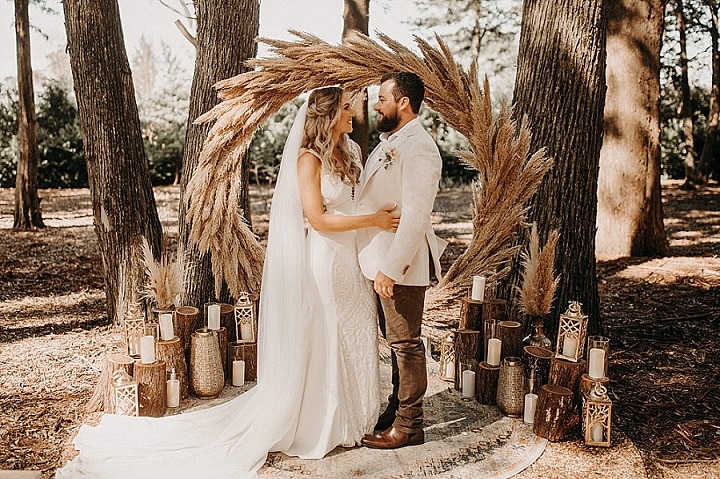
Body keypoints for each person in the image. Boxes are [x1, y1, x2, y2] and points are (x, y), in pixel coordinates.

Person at [55, 86, 399, 479]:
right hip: (327, 260)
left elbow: (361, 197)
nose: (354, 111)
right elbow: (318, 220)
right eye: (346, 107)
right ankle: (328, 420)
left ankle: (358, 413)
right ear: (327, 115)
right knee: (329, 334)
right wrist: (371, 222)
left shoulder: (351, 151)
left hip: (353, 262)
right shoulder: (308, 160)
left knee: (355, 331)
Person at [356, 72, 446, 450]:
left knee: (406, 344)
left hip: (401, 264)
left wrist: (392, 268)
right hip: (380, 259)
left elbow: (416, 216)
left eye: (381, 98)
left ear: (402, 102)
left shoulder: (419, 147)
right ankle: (397, 408)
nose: (376, 105)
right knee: (396, 343)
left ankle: (410, 425)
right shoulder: (391, 142)